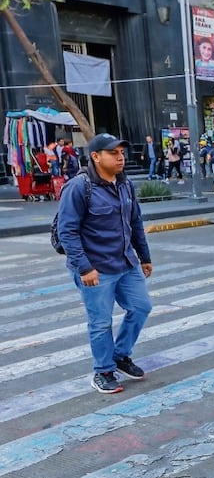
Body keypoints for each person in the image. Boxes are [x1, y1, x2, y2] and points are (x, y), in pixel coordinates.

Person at [56, 133, 153, 394]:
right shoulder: (79, 187)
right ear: (96, 156)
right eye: (113, 153)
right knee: (100, 322)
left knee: (141, 307)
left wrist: (144, 257)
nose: (120, 157)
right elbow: (67, 231)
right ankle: (103, 371)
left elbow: (135, 224)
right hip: (96, 268)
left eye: (122, 152)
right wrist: (84, 267)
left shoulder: (125, 185)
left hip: (126, 262)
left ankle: (120, 355)